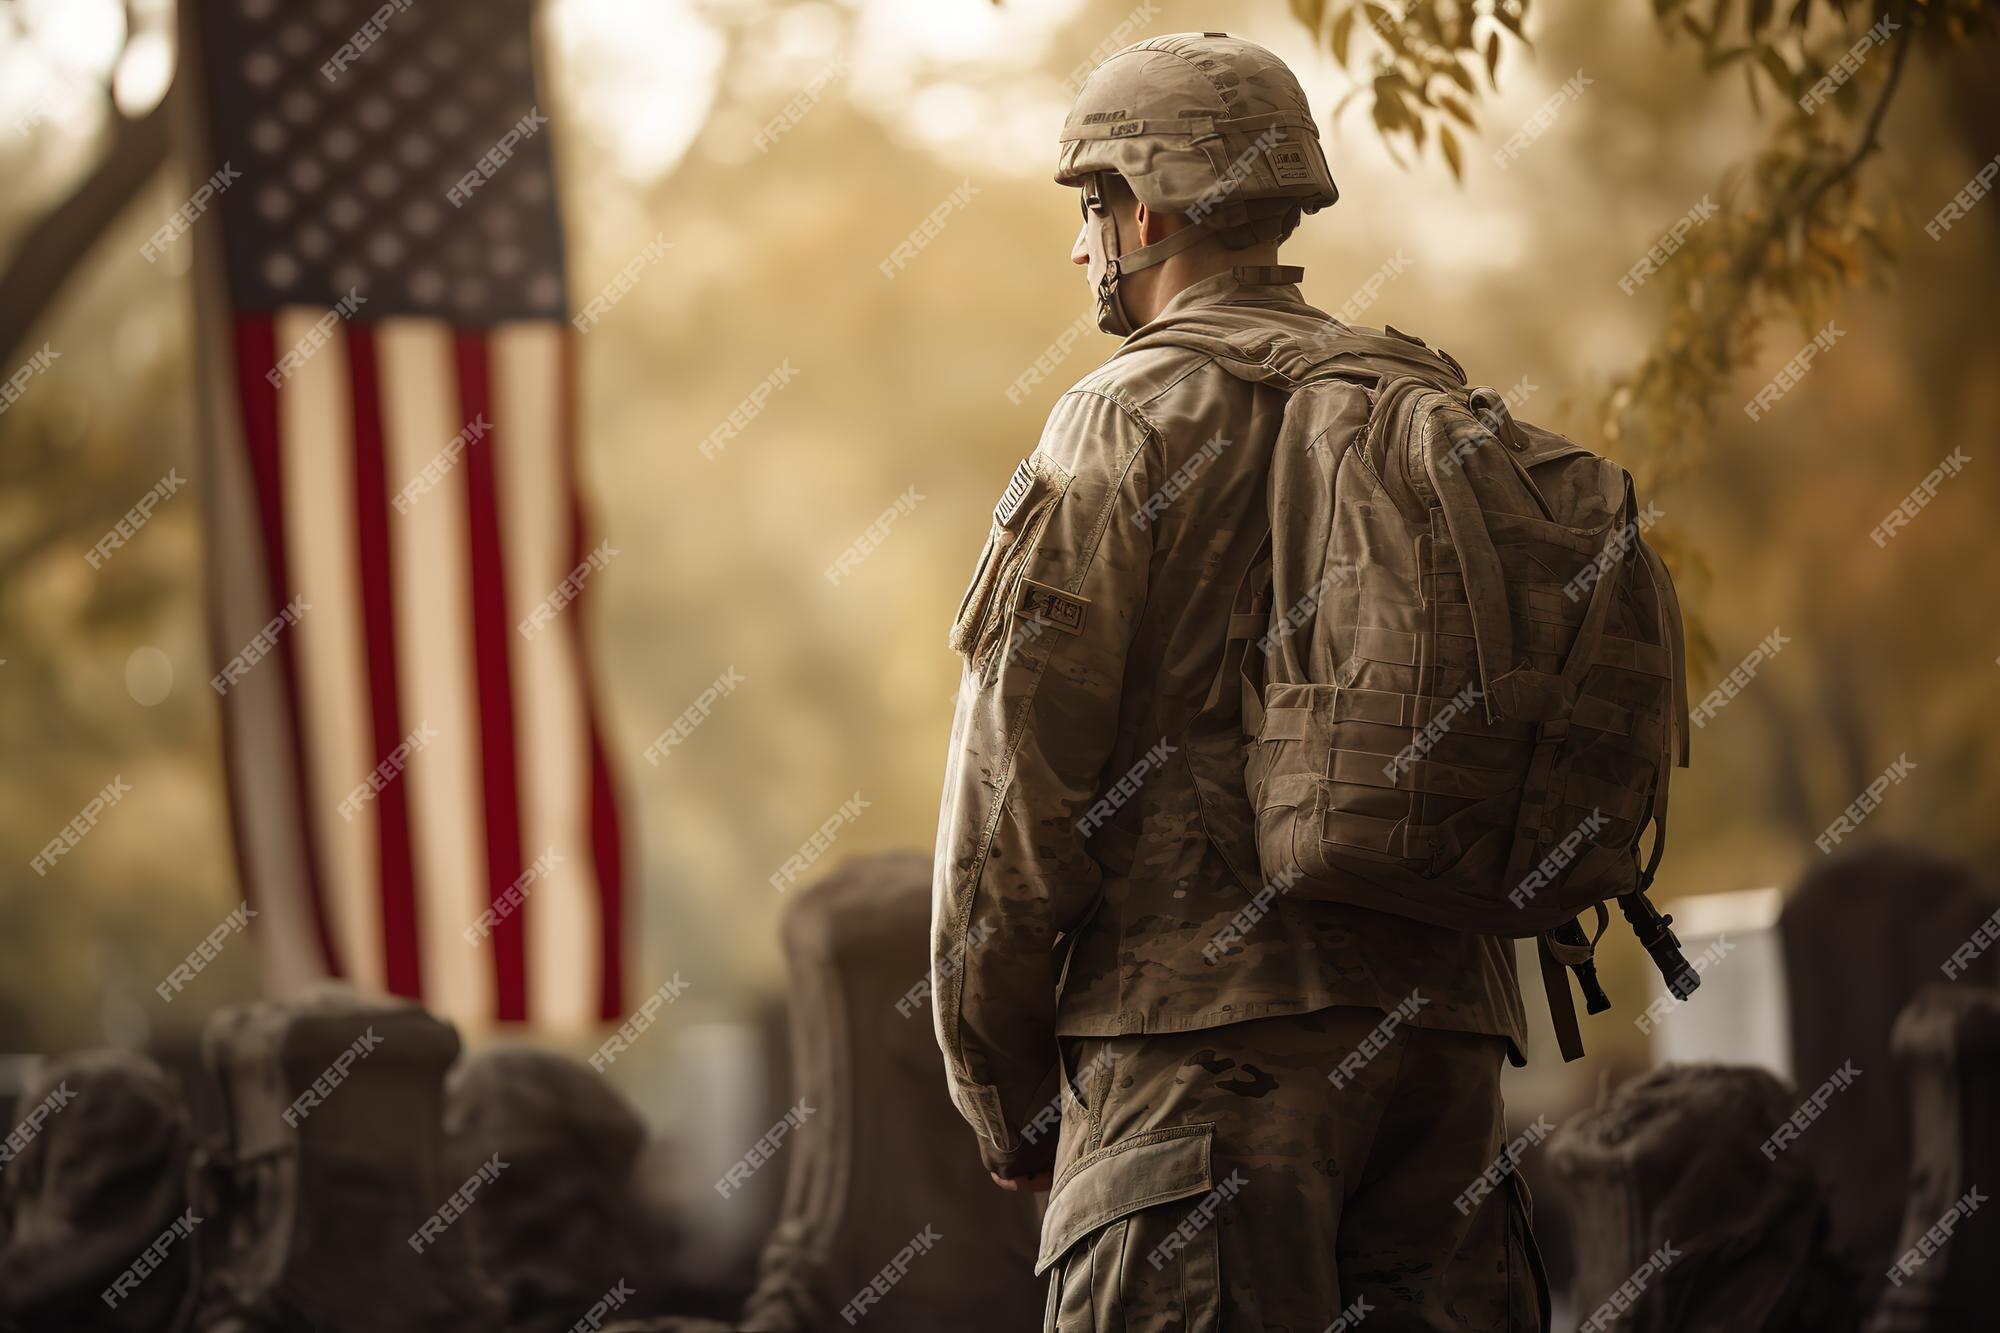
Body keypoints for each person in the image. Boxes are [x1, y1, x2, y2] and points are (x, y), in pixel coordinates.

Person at [931, 31, 1547, 1331]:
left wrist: (999, 1086)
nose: (1084, 244)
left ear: (1142, 209)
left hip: (1195, 1079)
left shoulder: (1120, 417)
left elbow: (1012, 805)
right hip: (1443, 1063)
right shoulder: (1415, 395)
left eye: (1089, 207)